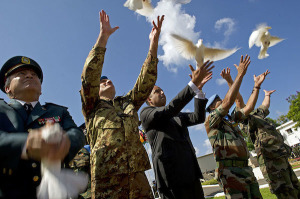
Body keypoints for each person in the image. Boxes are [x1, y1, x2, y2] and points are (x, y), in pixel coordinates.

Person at [80, 10, 164, 198]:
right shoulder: (91, 106)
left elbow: (146, 81)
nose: (107, 81)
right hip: (107, 182)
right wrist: (103, 37)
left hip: (137, 177)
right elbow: (89, 77)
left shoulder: (127, 102)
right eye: (102, 82)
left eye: (109, 80)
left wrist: (153, 43)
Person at [0, 56, 85, 198]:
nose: (29, 76)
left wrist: (66, 142)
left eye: (34, 75)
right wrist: (26, 144)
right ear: (7, 88)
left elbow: (77, 133)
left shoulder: (58, 112)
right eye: (21, 74)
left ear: (41, 89)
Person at [221, 67, 300, 198]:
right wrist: (230, 80)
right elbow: (238, 100)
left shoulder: (257, 115)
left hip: (280, 155)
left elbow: (265, 105)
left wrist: (267, 95)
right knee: (285, 193)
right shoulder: (244, 118)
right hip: (270, 160)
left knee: (295, 188)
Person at [140, 61, 214, 199]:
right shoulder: (146, 113)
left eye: (162, 90)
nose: (162, 92)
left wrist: (198, 91)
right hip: (170, 179)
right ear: (149, 100)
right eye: (157, 91)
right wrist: (192, 84)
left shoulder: (176, 114)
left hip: (190, 174)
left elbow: (198, 117)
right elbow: (169, 110)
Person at [204, 55, 265, 199]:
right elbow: (229, 101)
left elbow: (245, 105)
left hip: (245, 168)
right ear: (212, 107)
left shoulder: (230, 120)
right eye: (218, 100)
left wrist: (256, 86)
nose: (221, 100)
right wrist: (240, 75)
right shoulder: (211, 120)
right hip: (230, 172)